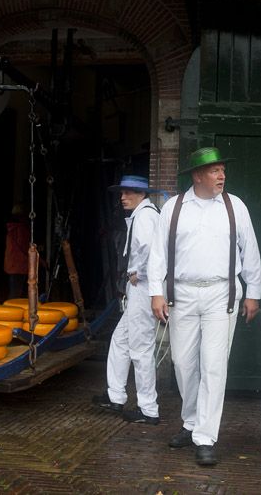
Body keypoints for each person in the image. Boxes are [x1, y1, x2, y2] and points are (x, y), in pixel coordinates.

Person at [148, 147, 261, 467]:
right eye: (215, 171)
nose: (222, 175)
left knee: (213, 365)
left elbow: (249, 250)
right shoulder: (174, 207)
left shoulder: (234, 206)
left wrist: (253, 292)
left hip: (221, 294)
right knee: (183, 364)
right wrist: (156, 292)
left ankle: (206, 436)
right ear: (197, 176)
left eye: (223, 170)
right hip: (181, 293)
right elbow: (158, 253)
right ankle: (191, 422)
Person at [92, 175, 161, 424]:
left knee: (141, 348)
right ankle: (116, 395)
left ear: (142, 194)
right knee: (120, 341)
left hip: (143, 287)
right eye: (122, 193)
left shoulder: (145, 216)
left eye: (129, 192)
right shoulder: (144, 214)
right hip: (139, 288)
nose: (123, 197)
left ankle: (148, 408)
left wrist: (137, 272)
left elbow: (150, 250)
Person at [4, 204, 31, 299]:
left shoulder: (11, 228)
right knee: (16, 294)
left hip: (12, 265)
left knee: (14, 293)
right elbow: (24, 248)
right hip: (20, 265)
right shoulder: (21, 229)